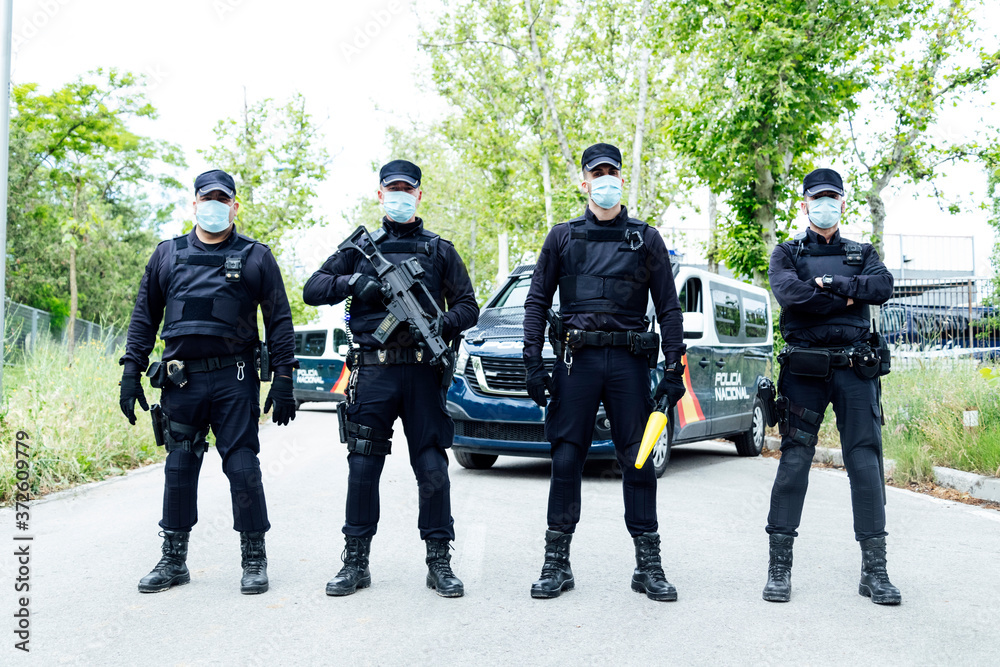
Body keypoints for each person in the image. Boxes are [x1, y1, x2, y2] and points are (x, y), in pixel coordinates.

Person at [303, 159, 479, 598]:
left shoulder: (439, 249)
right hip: (373, 370)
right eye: (392, 189)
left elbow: (469, 306)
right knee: (363, 465)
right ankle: (355, 563)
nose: (400, 196)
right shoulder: (360, 251)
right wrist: (352, 282)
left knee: (433, 466)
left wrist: (444, 323)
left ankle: (439, 561)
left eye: (408, 189)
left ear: (419, 195)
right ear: (380, 194)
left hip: (422, 371)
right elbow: (312, 288)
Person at [119, 169, 298, 595]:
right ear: (194, 203)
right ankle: (173, 560)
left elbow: (280, 321)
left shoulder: (256, 257)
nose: (215, 206)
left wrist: (284, 378)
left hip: (234, 379)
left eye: (223, 199)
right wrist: (130, 372)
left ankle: (254, 558)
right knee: (179, 466)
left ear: (235, 206)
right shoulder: (167, 254)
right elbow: (144, 317)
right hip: (181, 382)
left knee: (242, 467)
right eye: (207, 198)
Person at [522, 143, 686, 601]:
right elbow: (537, 302)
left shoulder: (646, 238)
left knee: (638, 461)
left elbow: (669, 309)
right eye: (598, 173)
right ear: (585, 182)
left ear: (621, 178)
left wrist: (674, 369)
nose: (606, 180)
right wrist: (532, 363)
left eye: (612, 172)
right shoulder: (562, 237)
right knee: (566, 459)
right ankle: (557, 564)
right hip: (577, 363)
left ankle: (647, 565)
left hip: (629, 365)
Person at [763, 167, 899, 605]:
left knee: (865, 464)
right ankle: (779, 570)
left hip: (856, 371)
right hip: (804, 373)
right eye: (817, 197)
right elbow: (791, 295)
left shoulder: (863, 252)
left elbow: (882, 286)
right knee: (795, 462)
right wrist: (847, 298)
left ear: (843, 203)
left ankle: (874, 572)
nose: (825, 204)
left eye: (833, 197)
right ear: (804, 204)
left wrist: (835, 283)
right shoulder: (786, 252)